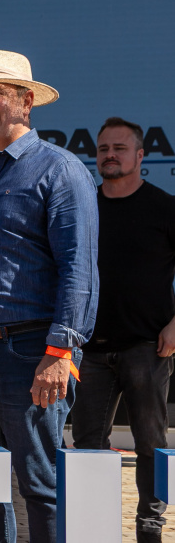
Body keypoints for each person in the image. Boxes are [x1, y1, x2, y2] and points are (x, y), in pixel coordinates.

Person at [0, 49, 99, 542]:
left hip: (31, 352)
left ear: (27, 102)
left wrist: (60, 350)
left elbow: (79, 268)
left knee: (42, 485)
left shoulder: (61, 170)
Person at [71, 117, 175, 543]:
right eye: (102, 149)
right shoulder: (82, 207)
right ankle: (91, 526)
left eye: (119, 148)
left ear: (139, 155)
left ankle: (150, 526)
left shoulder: (165, 208)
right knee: (86, 445)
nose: (109, 155)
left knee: (151, 443)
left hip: (147, 346)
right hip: (88, 347)